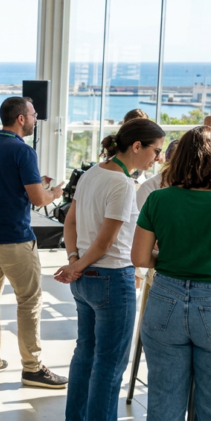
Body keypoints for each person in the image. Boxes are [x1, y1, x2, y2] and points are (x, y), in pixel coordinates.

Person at [54, 119, 164, 420]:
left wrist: (74, 260)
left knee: (84, 355)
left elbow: (70, 222)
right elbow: (105, 242)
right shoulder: (123, 183)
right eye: (156, 151)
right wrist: (76, 265)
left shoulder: (92, 173)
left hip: (85, 279)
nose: (158, 158)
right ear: (137, 146)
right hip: (112, 278)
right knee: (110, 365)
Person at [0, 96, 67, 388]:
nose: (36, 119)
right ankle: (33, 368)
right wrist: (54, 193)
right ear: (21, 118)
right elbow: (39, 199)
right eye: (33, 114)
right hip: (14, 239)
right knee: (29, 301)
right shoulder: (23, 151)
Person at [132, 125, 211, 420]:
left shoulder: (158, 199)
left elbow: (139, 257)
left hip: (165, 300)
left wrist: (172, 257)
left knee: (164, 401)